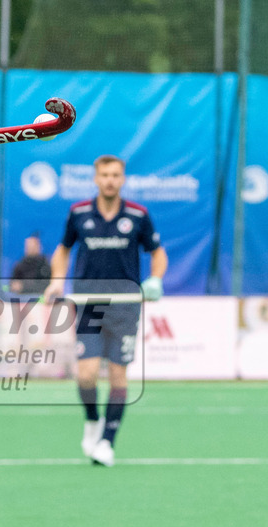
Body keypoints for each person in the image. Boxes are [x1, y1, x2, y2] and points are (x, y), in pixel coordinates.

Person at [43, 154, 167, 467]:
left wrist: (155, 279)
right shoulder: (79, 213)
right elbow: (63, 250)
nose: (110, 180)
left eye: (115, 175)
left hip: (125, 307)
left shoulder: (138, 215)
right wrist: (57, 281)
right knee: (85, 375)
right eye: (105, 175)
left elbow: (158, 253)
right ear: (96, 179)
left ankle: (108, 443)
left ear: (122, 179)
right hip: (89, 304)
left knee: (117, 375)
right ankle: (91, 420)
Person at [8, 231, 51, 296]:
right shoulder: (20, 265)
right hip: (21, 300)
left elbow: (46, 285)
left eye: (32, 245)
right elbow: (13, 284)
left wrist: (23, 286)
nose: (29, 247)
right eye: (28, 245)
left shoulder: (44, 265)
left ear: (38, 246)